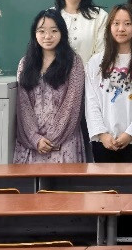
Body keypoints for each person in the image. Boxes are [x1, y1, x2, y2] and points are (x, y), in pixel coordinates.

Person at [85, 3, 132, 163]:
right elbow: (91, 103)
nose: (121, 29)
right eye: (116, 23)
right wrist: (102, 134)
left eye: (127, 23)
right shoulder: (95, 62)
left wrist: (130, 134)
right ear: (109, 27)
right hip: (104, 142)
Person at [14, 9, 85, 163]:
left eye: (54, 31)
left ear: (62, 33)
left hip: (64, 143)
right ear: (34, 33)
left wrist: (52, 139)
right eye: (41, 31)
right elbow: (23, 105)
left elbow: (72, 105)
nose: (47, 36)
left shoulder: (74, 62)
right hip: (32, 144)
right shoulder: (25, 64)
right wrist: (35, 138)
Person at [54, 0, 108, 66]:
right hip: (55, 75)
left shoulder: (100, 16)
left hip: (91, 74)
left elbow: (101, 54)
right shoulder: (50, 16)